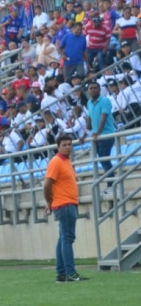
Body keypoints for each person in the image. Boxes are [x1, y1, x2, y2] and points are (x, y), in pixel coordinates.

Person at [43, 135, 87, 282]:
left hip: (68, 203)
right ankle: (70, 272)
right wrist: (48, 200)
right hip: (64, 204)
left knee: (62, 238)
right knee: (67, 238)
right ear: (58, 146)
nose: (68, 147)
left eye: (70, 144)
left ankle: (61, 273)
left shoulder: (66, 161)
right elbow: (47, 184)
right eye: (65, 145)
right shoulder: (56, 162)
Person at [86, 82, 117, 196]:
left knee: (105, 159)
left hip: (106, 135)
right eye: (91, 88)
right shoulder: (89, 102)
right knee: (103, 160)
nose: (93, 90)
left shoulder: (105, 101)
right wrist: (85, 134)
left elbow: (103, 117)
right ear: (88, 91)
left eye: (95, 88)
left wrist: (98, 132)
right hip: (97, 136)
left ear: (99, 89)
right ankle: (111, 185)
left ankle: (111, 185)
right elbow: (89, 119)